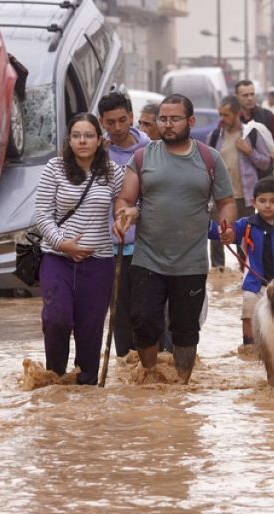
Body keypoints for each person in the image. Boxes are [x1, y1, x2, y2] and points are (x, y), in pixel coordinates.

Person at [114, 94, 237, 384]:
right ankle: (150, 376)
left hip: (191, 262)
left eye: (175, 119)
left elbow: (227, 201)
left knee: (185, 330)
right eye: (163, 119)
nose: (168, 125)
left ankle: (181, 386)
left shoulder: (209, 158)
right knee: (143, 323)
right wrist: (124, 215)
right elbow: (125, 199)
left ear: (190, 121)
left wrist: (226, 224)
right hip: (148, 259)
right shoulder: (143, 157)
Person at [34, 113, 124, 384]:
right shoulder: (54, 168)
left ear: (99, 140)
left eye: (88, 136)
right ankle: (55, 379)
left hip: (99, 263)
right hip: (56, 258)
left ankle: (86, 387)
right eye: (76, 136)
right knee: (56, 319)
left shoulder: (113, 172)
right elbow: (42, 214)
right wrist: (63, 244)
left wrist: (122, 219)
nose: (82, 141)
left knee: (91, 330)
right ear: (69, 140)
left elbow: (127, 203)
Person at [215, 178, 274, 358]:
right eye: (262, 201)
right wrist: (221, 231)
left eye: (273, 201)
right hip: (254, 283)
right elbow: (227, 232)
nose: (268, 206)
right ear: (253, 202)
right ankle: (249, 348)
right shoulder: (246, 225)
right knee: (248, 313)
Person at [98, 91, 152, 358]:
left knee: (146, 312)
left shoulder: (150, 151)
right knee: (118, 313)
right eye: (110, 122)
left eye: (122, 120)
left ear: (131, 117)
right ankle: (125, 367)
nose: (117, 128)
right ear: (102, 122)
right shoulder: (97, 153)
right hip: (109, 247)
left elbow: (156, 197)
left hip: (146, 246)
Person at [210, 95, 271, 224]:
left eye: (226, 115)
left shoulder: (251, 134)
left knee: (244, 242)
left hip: (245, 199)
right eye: (220, 115)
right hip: (220, 198)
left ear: (238, 114)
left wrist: (249, 151)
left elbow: (266, 163)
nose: (222, 119)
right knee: (216, 240)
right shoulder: (215, 136)